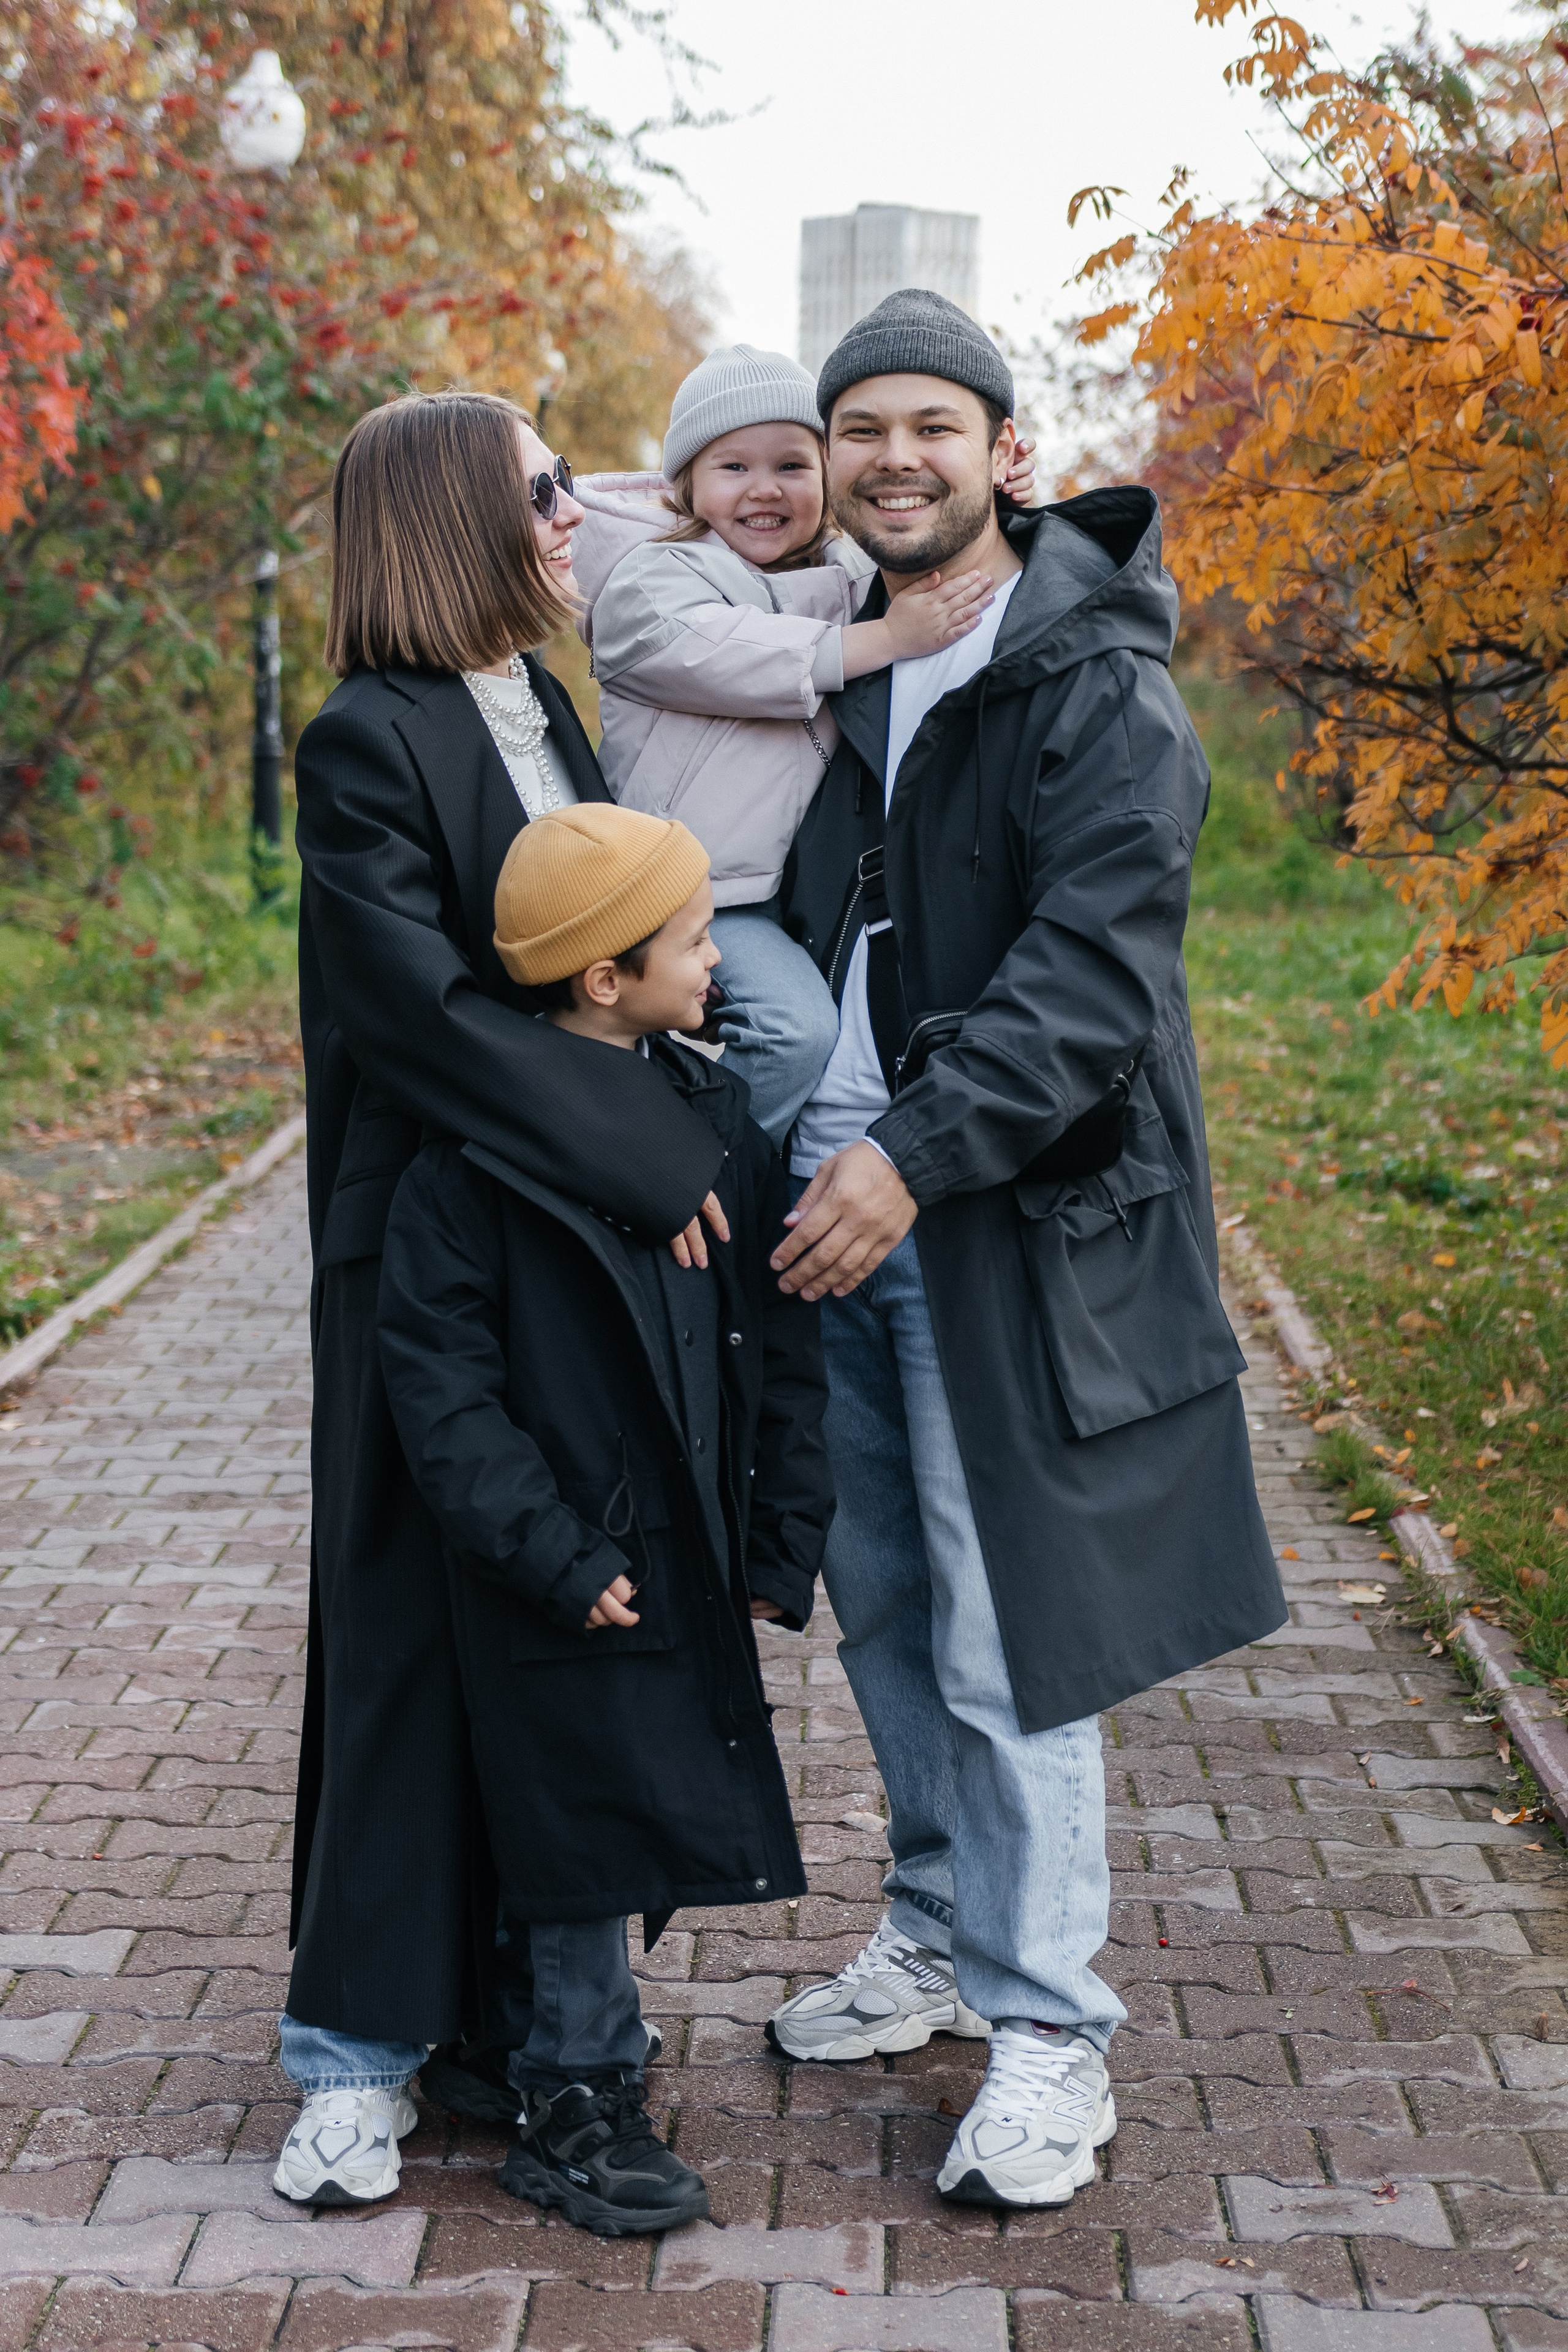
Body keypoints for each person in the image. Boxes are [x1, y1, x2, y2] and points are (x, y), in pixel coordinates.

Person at [765, 290, 1287, 2208]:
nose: (892, 458)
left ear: (1007, 448)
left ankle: (1050, 2029)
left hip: (997, 1217)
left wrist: (909, 1156)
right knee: (887, 1609)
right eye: (858, 430)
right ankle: (929, 1930)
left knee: (1011, 1639)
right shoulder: (839, 649)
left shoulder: (1088, 675)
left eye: (931, 424)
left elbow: (1089, 980)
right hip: (822, 1216)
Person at [278, 390, 726, 2207]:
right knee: (396, 1630)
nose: (571, 515)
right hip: (423, 1239)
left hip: (563, 1243)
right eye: (545, 491)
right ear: (455, 523)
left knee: (555, 1608)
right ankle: (350, 2056)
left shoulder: (548, 709)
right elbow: (422, 1015)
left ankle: (503, 2025)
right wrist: (641, 1150)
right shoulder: (360, 741)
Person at [376, 802, 832, 2237]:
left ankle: (512, 2036)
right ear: (599, 978)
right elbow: (442, 1397)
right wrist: (550, 1553)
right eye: (692, 939)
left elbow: (776, 1336)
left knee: (638, 1798)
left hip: (683, 1545)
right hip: (569, 1567)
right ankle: (576, 2091)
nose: (716, 960)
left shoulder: (711, 1122)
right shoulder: (464, 1176)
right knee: (588, 1814)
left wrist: (777, 1536)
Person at [568, 345, 1035, 1142]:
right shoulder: (649, 581)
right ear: (685, 483)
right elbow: (732, 652)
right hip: (679, 890)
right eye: (733, 467)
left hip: (778, 894)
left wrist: (1000, 501)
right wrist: (884, 639)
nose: (764, 489)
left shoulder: (838, 573)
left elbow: (936, 556)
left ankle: (735, 1157)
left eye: (792, 464)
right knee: (795, 1033)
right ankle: (688, 1176)